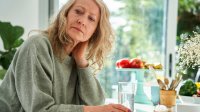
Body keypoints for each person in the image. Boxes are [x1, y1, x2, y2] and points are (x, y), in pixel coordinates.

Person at [0, 0, 132, 112]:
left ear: (95, 32)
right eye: (78, 11)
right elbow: (40, 109)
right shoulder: (37, 46)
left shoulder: (76, 58)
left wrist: (81, 61)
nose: (82, 21)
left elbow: (95, 102)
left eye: (91, 19)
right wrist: (99, 110)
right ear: (66, 14)